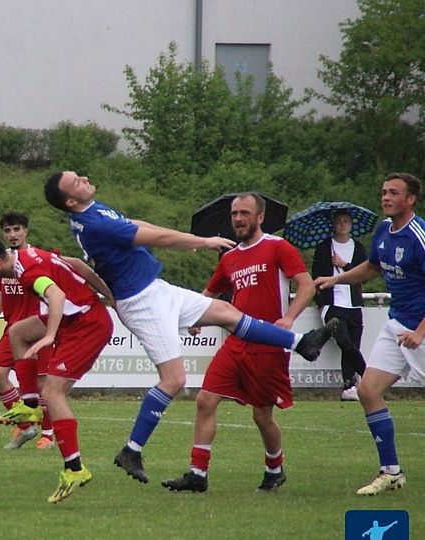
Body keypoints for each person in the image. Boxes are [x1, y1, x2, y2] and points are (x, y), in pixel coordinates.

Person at [43, 170, 339, 484]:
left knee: (227, 312)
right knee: (174, 380)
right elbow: (157, 239)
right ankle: (132, 450)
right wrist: (202, 241)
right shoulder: (95, 223)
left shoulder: (94, 210)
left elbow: (142, 226)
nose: (84, 178)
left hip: (155, 290)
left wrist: (185, 238)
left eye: (79, 176)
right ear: (71, 200)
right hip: (141, 301)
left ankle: (300, 343)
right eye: (76, 182)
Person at [161, 193, 315, 493]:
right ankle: (197, 474)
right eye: (234, 214)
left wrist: (289, 319)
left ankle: (275, 467)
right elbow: (208, 293)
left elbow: (306, 285)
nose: (238, 219)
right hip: (236, 342)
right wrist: (193, 317)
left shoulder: (277, 247)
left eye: (245, 213)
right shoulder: (229, 258)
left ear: (260, 217)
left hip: (269, 344)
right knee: (205, 399)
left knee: (262, 415)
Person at [0, 234, 114, 503]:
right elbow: (77, 264)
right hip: (74, 318)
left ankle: (74, 469)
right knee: (17, 332)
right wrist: (109, 295)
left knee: (53, 393)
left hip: (86, 325)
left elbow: (56, 294)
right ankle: (30, 405)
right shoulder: (29, 256)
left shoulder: (28, 270)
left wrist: (49, 334)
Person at [314, 172, 425, 496]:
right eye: (383, 192)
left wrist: (420, 331)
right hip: (397, 325)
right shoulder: (384, 232)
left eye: (393, 193)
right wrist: (337, 279)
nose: (386, 197)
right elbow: (373, 268)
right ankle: (391, 471)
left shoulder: (418, 235)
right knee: (367, 390)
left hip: (419, 328)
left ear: (411, 199)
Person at [0, 212, 55, 450]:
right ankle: (26, 427)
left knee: (40, 386)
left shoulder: (36, 259)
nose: (12, 235)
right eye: (7, 231)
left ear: (25, 230)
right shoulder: (2, 261)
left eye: (17, 229)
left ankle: (48, 434)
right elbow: (2, 292)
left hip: (35, 328)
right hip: (11, 328)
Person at [311, 209, 368, 401]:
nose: (342, 225)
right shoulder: (324, 248)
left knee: (353, 345)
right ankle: (368, 377)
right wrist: (321, 304)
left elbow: (365, 275)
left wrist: (345, 264)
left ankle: (349, 386)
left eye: (346, 221)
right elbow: (315, 277)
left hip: (353, 305)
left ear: (351, 225)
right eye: (339, 221)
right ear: (333, 225)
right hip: (332, 304)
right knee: (344, 341)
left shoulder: (358, 248)